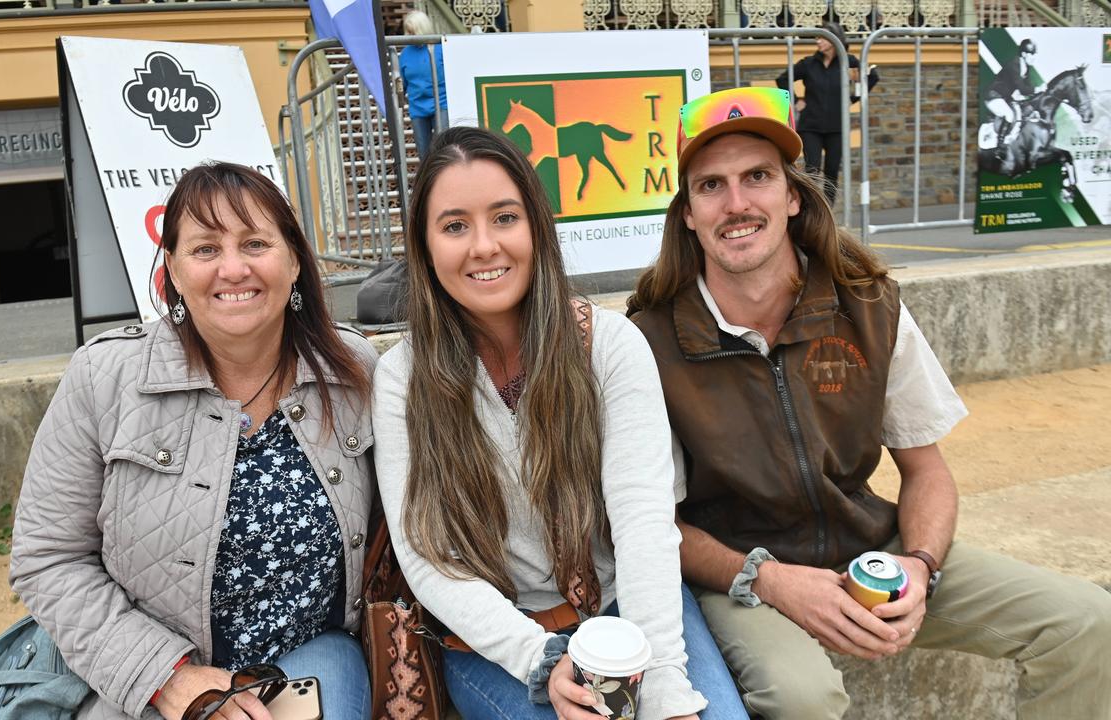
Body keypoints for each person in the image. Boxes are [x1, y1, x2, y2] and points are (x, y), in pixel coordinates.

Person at [626, 85, 1111, 720]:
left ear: (793, 195)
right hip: (741, 576)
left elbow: (927, 469)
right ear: (687, 212)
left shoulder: (869, 306)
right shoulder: (649, 341)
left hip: (868, 551)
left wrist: (920, 564)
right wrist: (769, 580)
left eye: (758, 177)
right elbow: (653, 526)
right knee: (803, 698)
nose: (737, 203)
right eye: (711, 185)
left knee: (1086, 622)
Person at [372, 126, 748, 720]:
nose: (483, 246)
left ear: (536, 228)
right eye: (454, 226)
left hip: (627, 610)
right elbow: (429, 557)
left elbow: (644, 523)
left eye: (504, 217)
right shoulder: (402, 379)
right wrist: (541, 660)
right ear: (423, 248)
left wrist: (666, 687)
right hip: (495, 640)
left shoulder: (610, 346)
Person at [10, 162, 378, 720]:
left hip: (311, 655)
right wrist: (164, 676)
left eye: (255, 242)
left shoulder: (354, 372)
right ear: (173, 272)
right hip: (146, 669)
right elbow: (48, 558)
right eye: (205, 249)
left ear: (295, 261)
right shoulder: (104, 378)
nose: (233, 268)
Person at [776, 22, 878, 205]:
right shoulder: (808, 64)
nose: (818, 41)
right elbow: (782, 79)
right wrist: (797, 99)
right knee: (812, 169)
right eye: (817, 37)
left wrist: (853, 98)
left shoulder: (850, 62)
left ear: (834, 39)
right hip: (810, 126)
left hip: (837, 127)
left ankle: (828, 211)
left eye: (822, 37)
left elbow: (873, 75)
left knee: (831, 171)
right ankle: (811, 208)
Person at [397, 10, 448, 158]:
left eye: (413, 31)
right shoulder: (405, 53)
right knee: (423, 153)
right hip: (417, 107)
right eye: (409, 31)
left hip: (442, 103)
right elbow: (403, 82)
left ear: (422, 29)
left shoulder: (440, 48)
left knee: (443, 149)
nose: (411, 35)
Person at [985, 38, 1040, 146]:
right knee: (1009, 115)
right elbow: (1022, 89)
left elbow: (1027, 88)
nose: (1034, 58)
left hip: (1004, 98)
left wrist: (1036, 93)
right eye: (1032, 54)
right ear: (1024, 54)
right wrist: (1037, 89)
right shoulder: (1014, 65)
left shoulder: (1026, 68)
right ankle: (999, 146)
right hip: (993, 96)